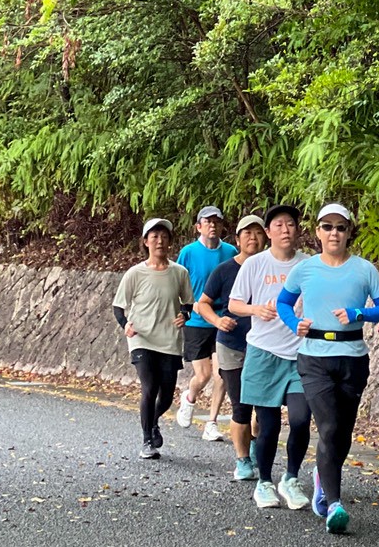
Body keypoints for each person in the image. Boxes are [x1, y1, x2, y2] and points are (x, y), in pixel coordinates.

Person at [276, 203, 379, 534]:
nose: (334, 233)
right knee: (328, 426)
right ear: (317, 233)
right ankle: (334, 504)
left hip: (352, 356)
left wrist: (358, 313)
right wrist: (293, 322)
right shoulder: (305, 269)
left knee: (343, 430)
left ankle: (323, 476)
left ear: (349, 231)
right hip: (313, 357)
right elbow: (283, 301)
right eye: (327, 227)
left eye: (340, 227)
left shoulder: (364, 269)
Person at [227, 205, 312, 512]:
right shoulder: (255, 264)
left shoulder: (310, 264)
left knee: (301, 419)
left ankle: (290, 478)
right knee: (268, 424)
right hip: (264, 352)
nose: (286, 229)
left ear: (298, 230)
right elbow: (234, 304)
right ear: (268, 232)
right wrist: (256, 309)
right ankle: (264, 482)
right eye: (279, 225)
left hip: (301, 353)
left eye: (291, 224)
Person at [112, 218, 194, 459]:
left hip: (169, 340)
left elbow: (188, 302)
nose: (160, 241)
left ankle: (153, 421)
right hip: (142, 338)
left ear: (170, 242)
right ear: (145, 242)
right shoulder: (135, 273)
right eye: (155, 237)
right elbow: (119, 306)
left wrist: (184, 315)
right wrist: (125, 324)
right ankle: (147, 440)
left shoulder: (179, 272)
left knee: (166, 394)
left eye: (164, 237)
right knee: (149, 388)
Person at [196, 214, 267, 481]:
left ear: (266, 237)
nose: (252, 237)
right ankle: (242, 459)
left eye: (258, 232)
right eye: (246, 233)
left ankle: (258, 447)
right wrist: (217, 320)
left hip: (265, 347)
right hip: (232, 345)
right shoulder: (225, 270)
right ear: (237, 240)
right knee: (240, 406)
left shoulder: (272, 269)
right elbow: (202, 303)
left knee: (263, 406)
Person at [175, 206, 237, 438]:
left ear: (222, 226)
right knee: (203, 375)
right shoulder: (188, 253)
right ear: (198, 226)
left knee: (222, 373)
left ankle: (211, 422)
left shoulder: (231, 252)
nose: (213, 226)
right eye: (207, 222)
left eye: (217, 222)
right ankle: (189, 398)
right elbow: (178, 282)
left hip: (223, 321)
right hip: (196, 321)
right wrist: (182, 311)